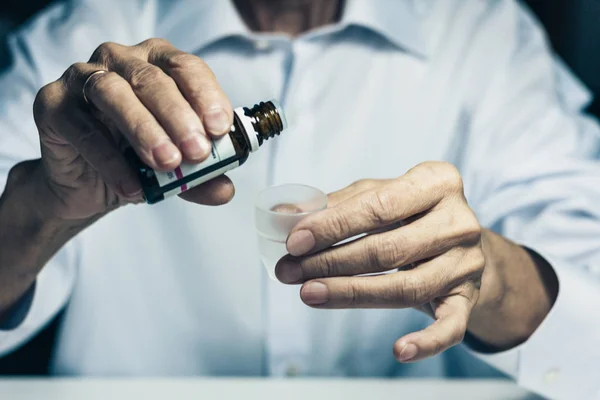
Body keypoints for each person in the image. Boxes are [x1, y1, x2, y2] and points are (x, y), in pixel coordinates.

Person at [0, 0, 598, 398]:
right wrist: (42, 206)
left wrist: (489, 272)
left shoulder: (484, 32)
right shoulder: (82, 37)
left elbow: (588, 333)